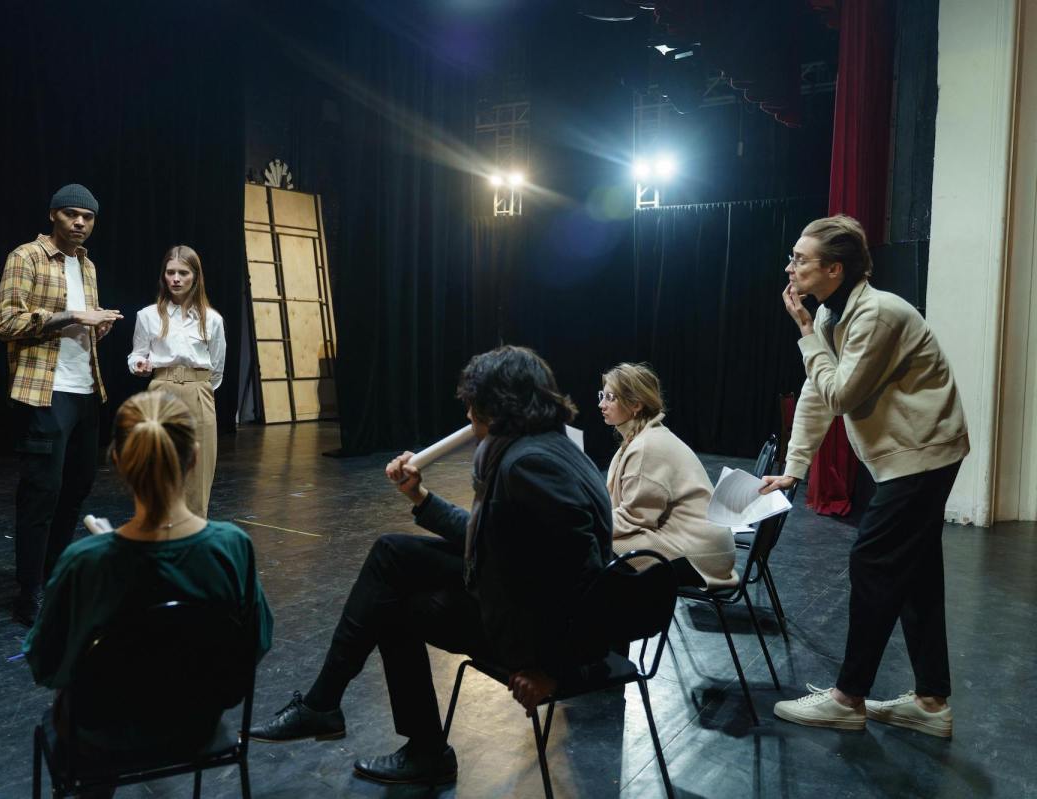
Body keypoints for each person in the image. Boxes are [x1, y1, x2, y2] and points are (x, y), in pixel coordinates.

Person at [249, 346, 612, 785]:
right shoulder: (545, 444)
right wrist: (419, 497)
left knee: (394, 608)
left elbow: (585, 575)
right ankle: (328, 708)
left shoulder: (529, 464)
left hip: (537, 637)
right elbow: (488, 537)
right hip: (516, 591)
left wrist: (552, 672)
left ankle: (394, 737)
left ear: (498, 405)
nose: (467, 411)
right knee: (390, 554)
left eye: (473, 402)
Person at [764, 214, 968, 737]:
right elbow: (816, 394)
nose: (790, 266)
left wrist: (806, 333)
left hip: (921, 455)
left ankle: (848, 698)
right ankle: (930, 702)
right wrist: (793, 470)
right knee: (916, 576)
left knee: (873, 563)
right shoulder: (837, 314)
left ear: (834, 269)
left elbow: (841, 395)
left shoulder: (875, 314)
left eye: (800, 259)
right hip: (907, 455)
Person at [23, 390, 273, 753]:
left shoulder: (85, 560)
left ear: (117, 461)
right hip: (197, 723)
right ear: (194, 459)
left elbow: (45, 662)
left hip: (102, 732)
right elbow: (256, 641)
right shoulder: (232, 547)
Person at [0, 184, 123, 626]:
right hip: (44, 392)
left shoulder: (87, 266)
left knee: (77, 489)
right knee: (40, 495)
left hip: (86, 391)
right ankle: (27, 591)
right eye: (71, 215)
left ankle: (52, 576)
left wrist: (97, 327)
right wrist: (72, 316)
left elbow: (80, 328)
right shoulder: (25, 257)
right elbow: (6, 322)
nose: (80, 223)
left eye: (88, 218)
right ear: (54, 215)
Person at [598, 362, 738, 589]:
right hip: (695, 542)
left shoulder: (646, 446)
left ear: (635, 404)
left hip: (702, 554)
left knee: (596, 549)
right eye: (602, 396)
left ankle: (611, 621)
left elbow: (635, 519)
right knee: (598, 543)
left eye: (610, 398)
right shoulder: (642, 438)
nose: (601, 404)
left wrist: (588, 524)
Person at [127, 245, 226, 516]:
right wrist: (139, 364)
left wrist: (199, 388)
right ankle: (157, 536)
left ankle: (192, 538)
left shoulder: (212, 320)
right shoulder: (148, 316)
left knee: (199, 471)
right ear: (163, 276)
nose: (176, 279)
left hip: (199, 390)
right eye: (170, 272)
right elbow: (137, 353)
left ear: (195, 276)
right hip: (162, 389)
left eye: (183, 273)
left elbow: (217, 366)